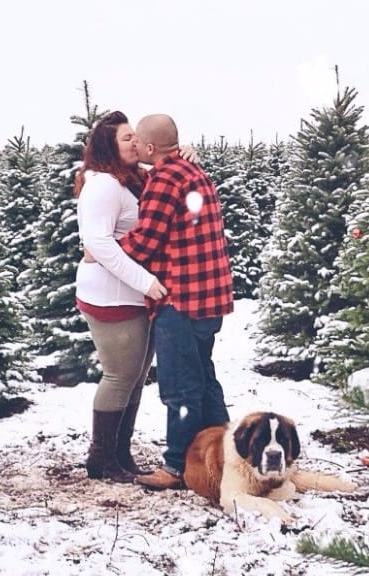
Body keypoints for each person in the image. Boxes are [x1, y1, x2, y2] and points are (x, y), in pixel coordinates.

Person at [118, 114, 235, 490]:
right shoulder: (192, 173)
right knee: (203, 376)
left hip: (182, 300)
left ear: (151, 148)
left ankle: (176, 467)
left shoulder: (164, 180)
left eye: (137, 140)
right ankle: (225, 452)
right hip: (210, 299)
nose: (133, 145)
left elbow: (146, 242)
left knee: (180, 386)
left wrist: (103, 250)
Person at [74, 111, 167, 484]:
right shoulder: (104, 185)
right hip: (112, 297)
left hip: (132, 295)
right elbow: (99, 243)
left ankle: (120, 452)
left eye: (135, 137)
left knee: (135, 376)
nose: (135, 141)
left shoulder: (130, 180)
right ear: (108, 147)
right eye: (126, 138)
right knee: (120, 375)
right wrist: (146, 282)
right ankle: (101, 459)